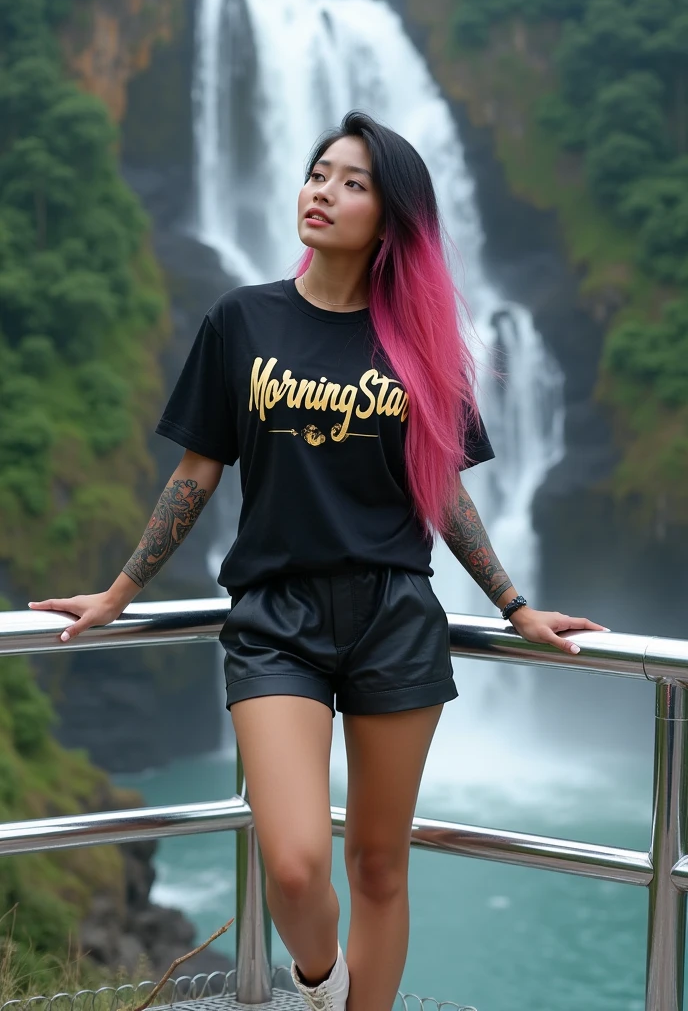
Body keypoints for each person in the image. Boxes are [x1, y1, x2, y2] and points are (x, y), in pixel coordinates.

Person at [30, 110, 609, 1011]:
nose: (323, 191)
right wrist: (119, 590)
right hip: (274, 620)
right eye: (316, 172)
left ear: (391, 218)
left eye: (352, 182)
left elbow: (443, 492)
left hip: (393, 617)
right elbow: (197, 471)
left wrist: (514, 604)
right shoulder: (241, 319)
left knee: (379, 865)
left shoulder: (419, 345)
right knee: (296, 865)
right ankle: (320, 985)